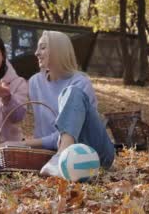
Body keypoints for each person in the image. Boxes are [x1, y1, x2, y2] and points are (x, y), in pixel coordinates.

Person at [10, 30, 114, 170]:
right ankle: (60, 159)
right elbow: (33, 125)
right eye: (37, 48)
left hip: (92, 151)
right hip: (51, 152)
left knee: (72, 92)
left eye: (43, 47)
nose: (36, 53)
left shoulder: (80, 82)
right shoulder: (35, 82)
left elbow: (72, 131)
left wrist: (26, 143)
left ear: (58, 50)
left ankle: (61, 156)